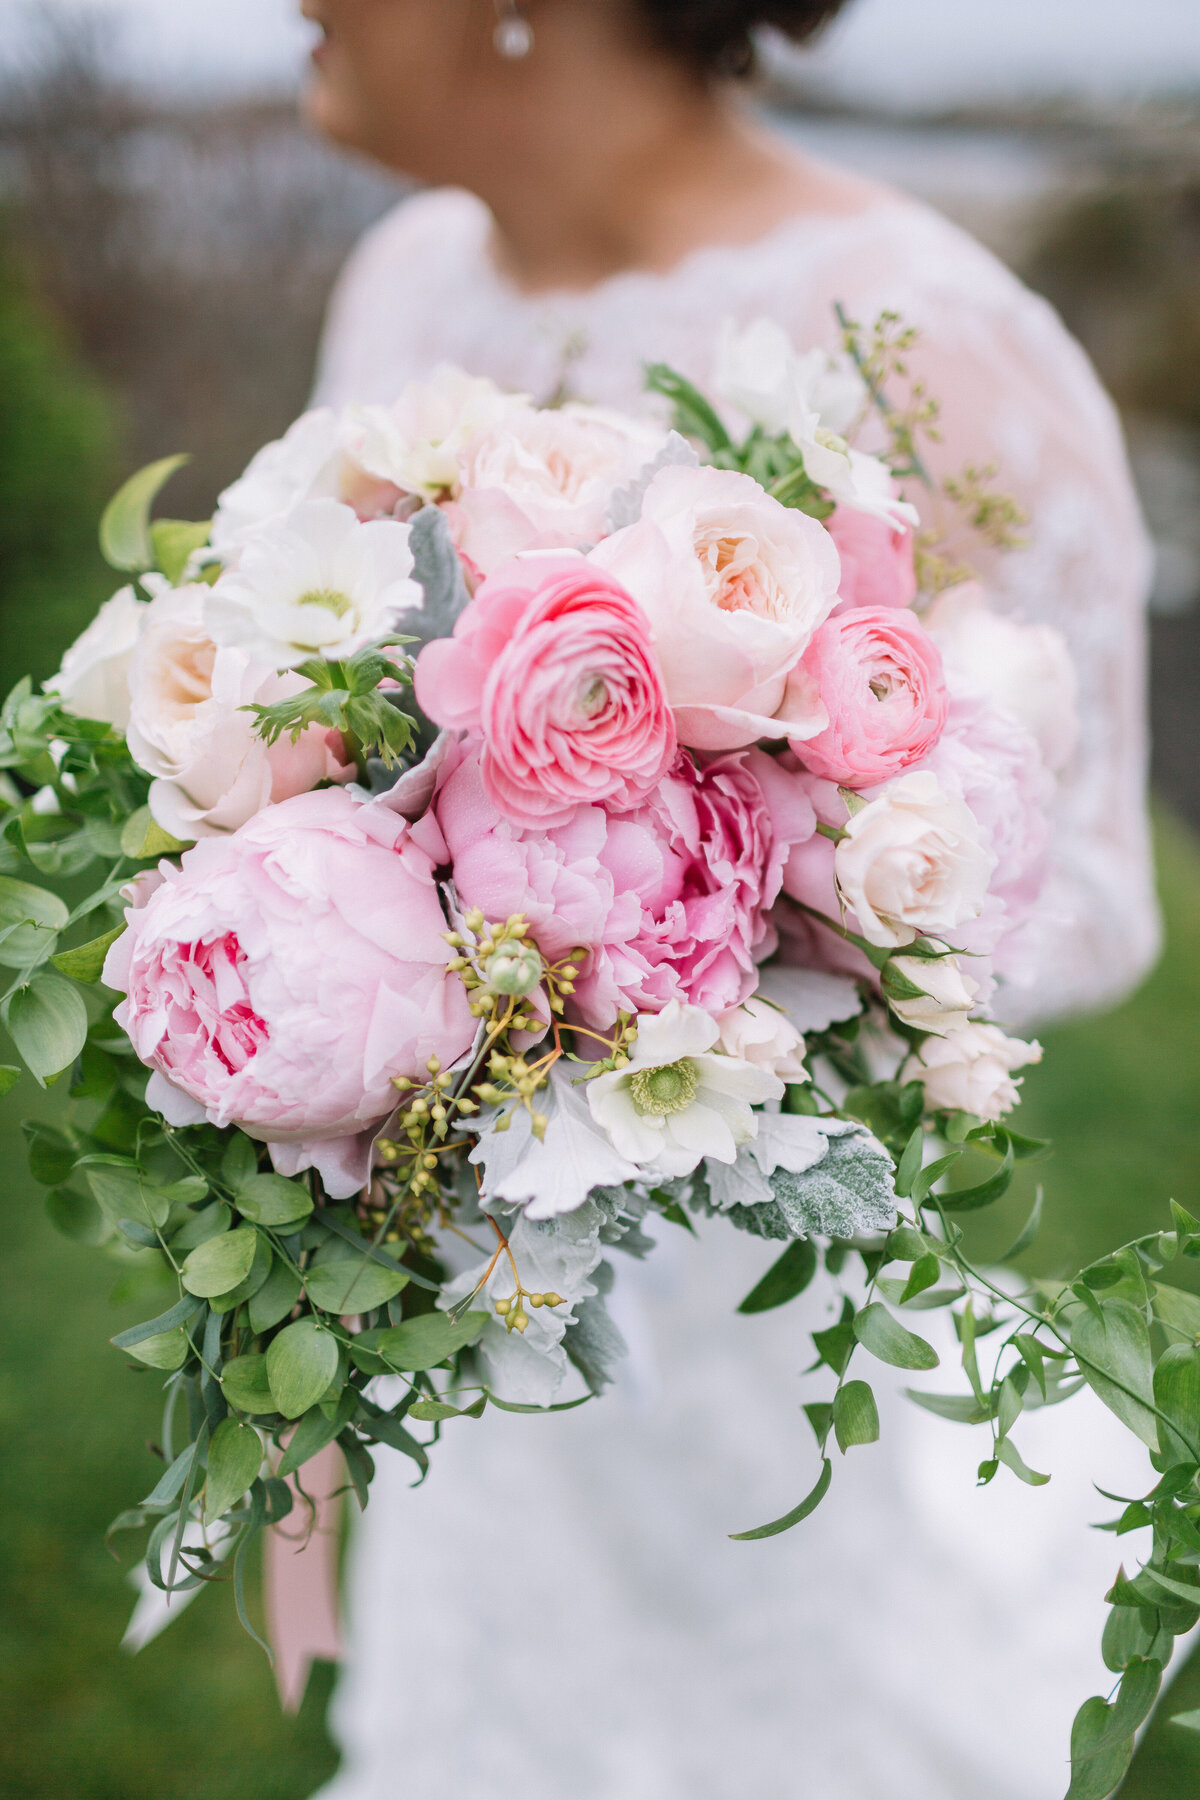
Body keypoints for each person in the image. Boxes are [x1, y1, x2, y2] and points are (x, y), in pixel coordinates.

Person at [295, 3, 1162, 1795]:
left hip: (740, 1266)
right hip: (457, 1248)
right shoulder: (401, 284)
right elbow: (325, 696)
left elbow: (1087, 888)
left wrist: (689, 939)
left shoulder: (929, 335)